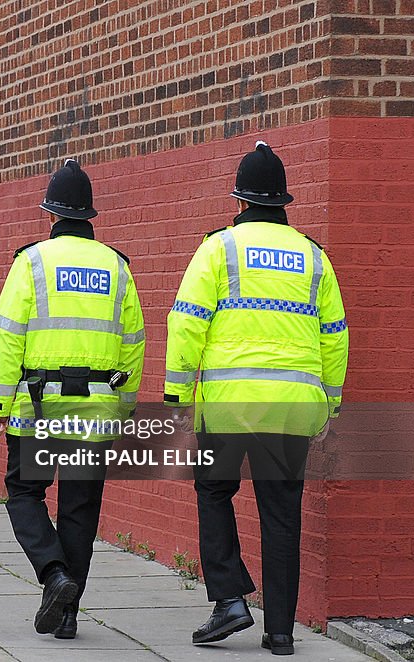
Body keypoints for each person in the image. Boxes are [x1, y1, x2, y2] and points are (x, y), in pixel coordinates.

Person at [164, 142, 349, 656]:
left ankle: (228, 599)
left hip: (227, 402)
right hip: (292, 407)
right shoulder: (314, 257)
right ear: (283, 204)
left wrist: (177, 394)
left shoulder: (219, 248)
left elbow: (186, 323)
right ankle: (282, 632)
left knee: (214, 491)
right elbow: (335, 335)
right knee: (282, 513)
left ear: (240, 202)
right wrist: (330, 404)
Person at [0, 159, 145, 639]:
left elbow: (7, 336)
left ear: (51, 216)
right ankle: (69, 614)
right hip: (95, 410)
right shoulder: (117, 267)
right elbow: (134, 341)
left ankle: (54, 575)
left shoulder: (32, 261)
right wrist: (126, 405)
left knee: (25, 493)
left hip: (37, 407)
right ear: (89, 216)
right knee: (79, 507)